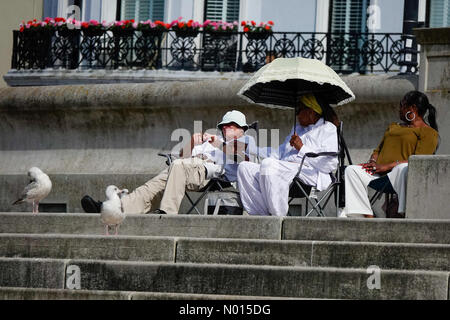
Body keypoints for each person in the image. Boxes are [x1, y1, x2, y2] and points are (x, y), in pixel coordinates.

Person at [81, 110, 256, 215]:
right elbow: (181, 158)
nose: (226, 128)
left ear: (242, 129)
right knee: (155, 184)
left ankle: (167, 214)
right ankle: (114, 208)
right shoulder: (210, 141)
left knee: (177, 167)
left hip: (210, 174)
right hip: (187, 167)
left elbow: (241, 158)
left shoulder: (247, 141)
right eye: (224, 126)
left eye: (231, 125)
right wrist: (192, 143)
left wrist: (217, 143)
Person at [340, 91, 439, 218]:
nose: (399, 109)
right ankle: (367, 215)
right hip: (379, 175)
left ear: (412, 108)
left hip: (400, 176)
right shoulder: (394, 127)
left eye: (401, 105)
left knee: (402, 168)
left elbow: (418, 161)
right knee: (351, 170)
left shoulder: (428, 132)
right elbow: (378, 150)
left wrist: (387, 166)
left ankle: (403, 212)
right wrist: (373, 162)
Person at [237, 94, 339, 216]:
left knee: (269, 165)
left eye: (299, 110)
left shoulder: (328, 128)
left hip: (309, 174)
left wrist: (302, 148)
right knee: (244, 167)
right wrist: (249, 149)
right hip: (284, 168)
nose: (297, 114)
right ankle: (261, 215)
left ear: (311, 112)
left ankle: (278, 217)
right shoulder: (297, 128)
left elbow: (330, 164)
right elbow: (278, 153)